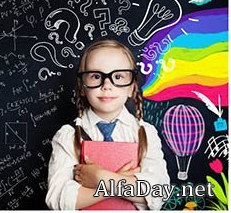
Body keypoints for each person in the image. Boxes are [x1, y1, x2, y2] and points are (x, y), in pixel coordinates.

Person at [46, 39, 169, 211]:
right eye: (96, 76)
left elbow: (158, 192)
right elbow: (58, 199)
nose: (106, 85)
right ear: (82, 87)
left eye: (118, 77)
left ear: (132, 87)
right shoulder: (67, 136)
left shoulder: (145, 134)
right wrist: (115, 184)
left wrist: (100, 177)